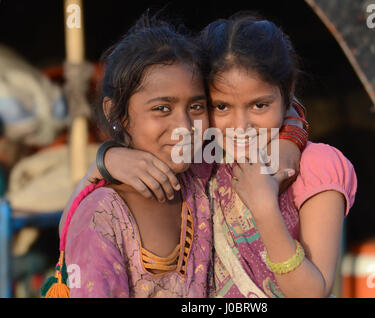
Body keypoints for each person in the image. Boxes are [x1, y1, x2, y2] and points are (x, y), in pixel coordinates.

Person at [88, 13, 357, 298]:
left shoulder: (317, 167)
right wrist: (107, 159)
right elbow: (74, 222)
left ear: (288, 91)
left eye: (259, 105)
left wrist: (265, 207)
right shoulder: (198, 158)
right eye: (221, 107)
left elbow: (312, 293)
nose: (241, 127)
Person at [51, 15, 215, 297]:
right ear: (120, 115)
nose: (185, 127)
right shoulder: (102, 216)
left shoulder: (203, 179)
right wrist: (105, 162)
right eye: (162, 108)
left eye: (197, 107)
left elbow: (263, 91)